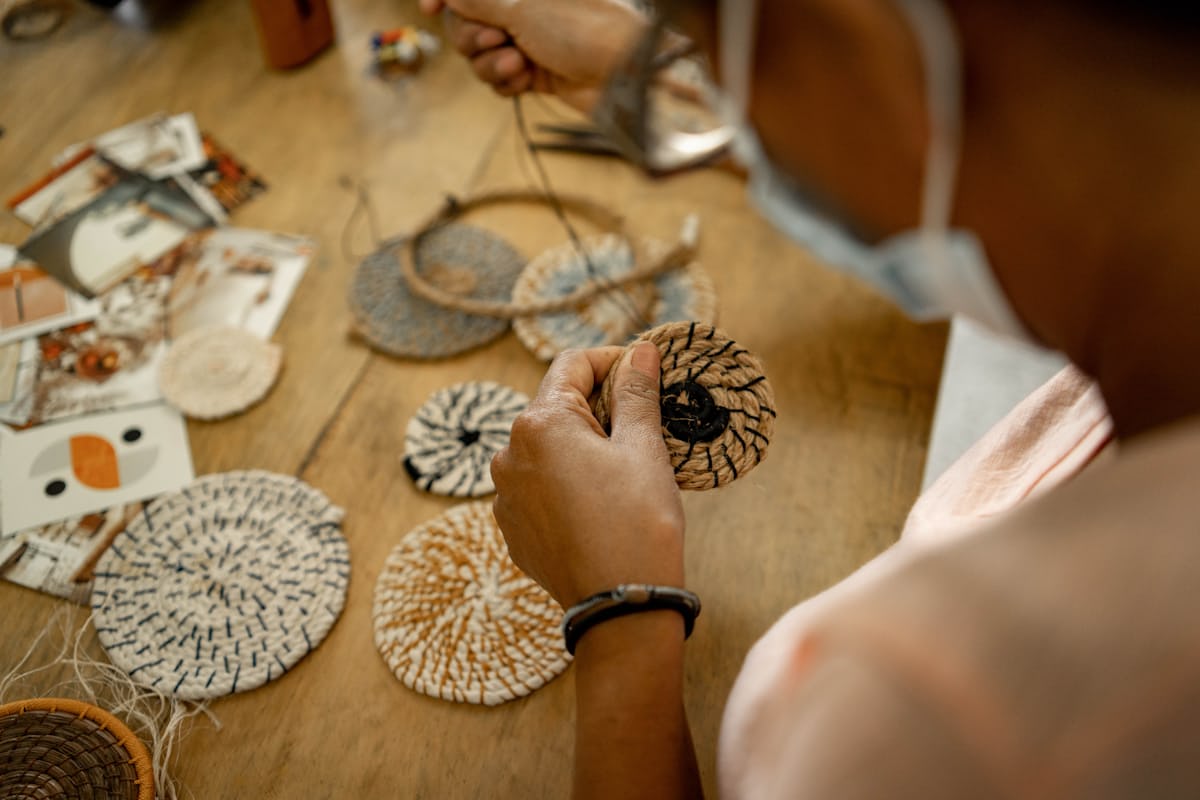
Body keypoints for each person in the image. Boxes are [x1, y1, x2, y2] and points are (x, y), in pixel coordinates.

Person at [420, 0, 1200, 796]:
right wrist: (647, 72)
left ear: (877, 49)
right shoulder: (1154, 228)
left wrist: (619, 620)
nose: (732, 91)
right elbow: (997, 188)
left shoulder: (922, 720)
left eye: (735, 55)